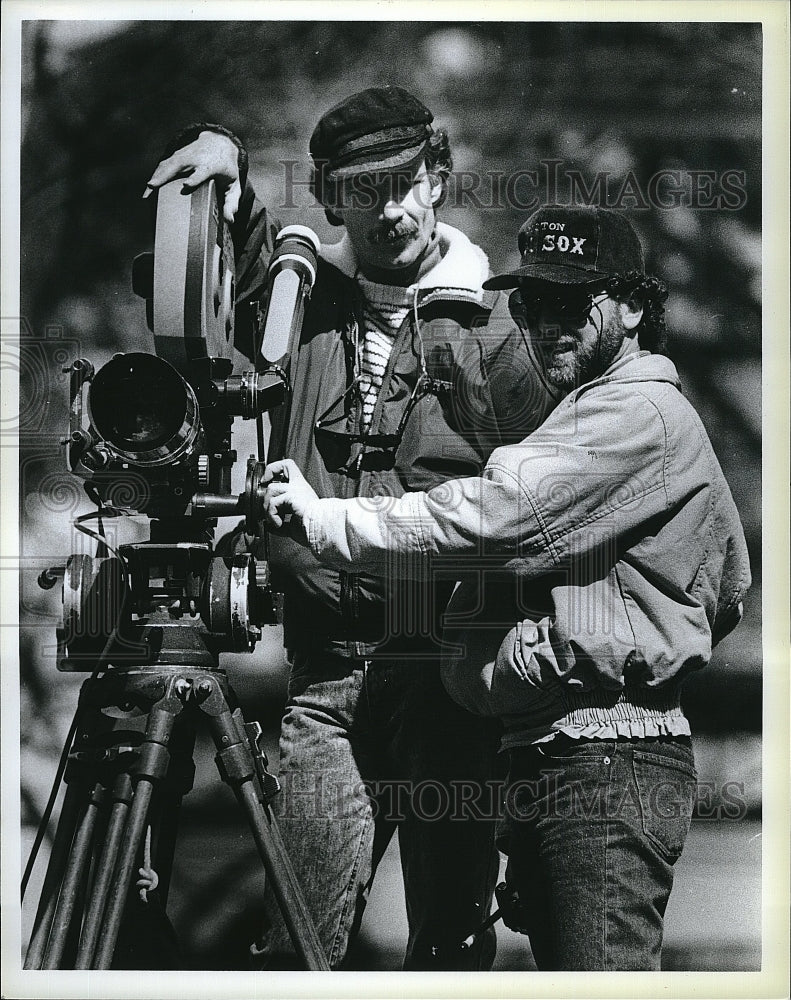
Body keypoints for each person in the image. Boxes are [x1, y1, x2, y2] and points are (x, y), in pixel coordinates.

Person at [261, 204, 752, 971]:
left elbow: (493, 517)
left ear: (630, 307)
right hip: (563, 757)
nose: (546, 323)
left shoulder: (634, 412)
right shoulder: (597, 413)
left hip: (603, 763)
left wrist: (324, 521)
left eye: (572, 302)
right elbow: (721, 590)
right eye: (530, 304)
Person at [145, 87, 551, 969]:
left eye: (406, 181)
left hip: (451, 674)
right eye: (362, 189)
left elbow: (535, 506)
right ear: (331, 198)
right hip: (324, 672)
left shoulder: (500, 322)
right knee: (296, 938)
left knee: (449, 941)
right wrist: (219, 145)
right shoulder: (298, 298)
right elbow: (224, 258)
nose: (389, 208)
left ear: (438, 177)